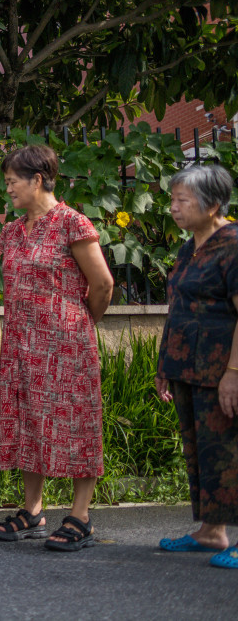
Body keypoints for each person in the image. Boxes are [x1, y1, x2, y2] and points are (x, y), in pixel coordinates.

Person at [0, 144, 114, 551]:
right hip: (20, 346)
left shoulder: (71, 224)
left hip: (67, 347)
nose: (7, 189)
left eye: (12, 181)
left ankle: (80, 517)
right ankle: (33, 511)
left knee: (77, 424)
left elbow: (102, 284)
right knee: (26, 420)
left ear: (37, 180)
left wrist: (79, 324)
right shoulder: (11, 230)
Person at [155, 164, 238, 570]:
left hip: (222, 369)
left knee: (232, 453)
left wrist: (234, 374)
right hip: (190, 369)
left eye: (181, 200)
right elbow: (179, 308)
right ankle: (211, 532)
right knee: (205, 454)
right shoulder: (191, 247)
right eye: (173, 199)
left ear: (213, 205)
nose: (173, 207)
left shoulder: (234, 244)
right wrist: (164, 364)